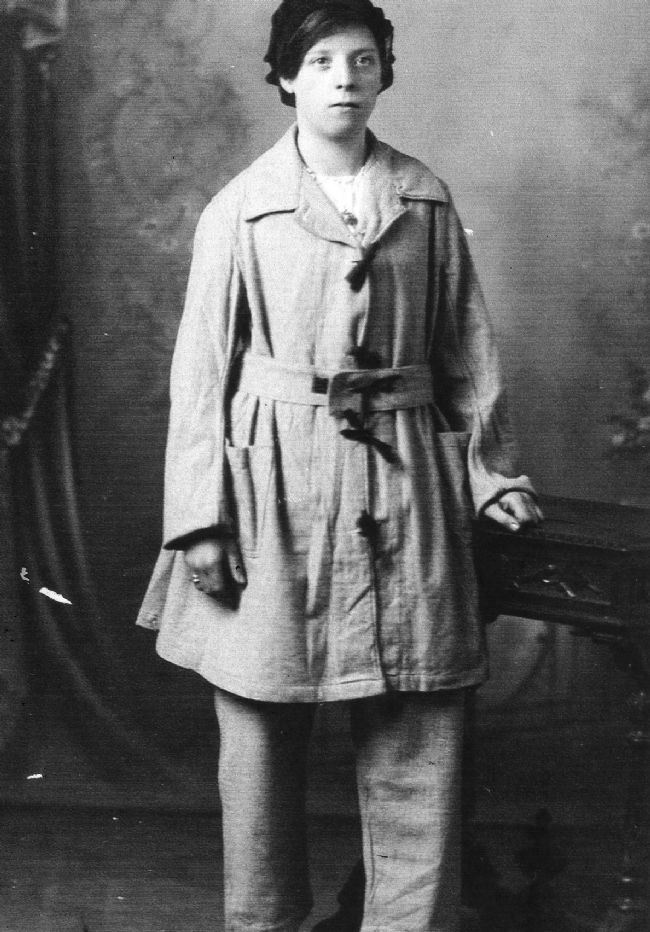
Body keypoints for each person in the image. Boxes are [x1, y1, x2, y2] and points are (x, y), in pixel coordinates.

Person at [137, 1, 542, 929]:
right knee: (260, 744)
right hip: (273, 494)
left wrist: (493, 476)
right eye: (320, 61)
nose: (345, 78)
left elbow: (466, 353)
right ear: (284, 77)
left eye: (364, 60)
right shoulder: (241, 209)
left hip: (407, 490)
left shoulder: (425, 200)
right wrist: (199, 518)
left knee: (420, 736)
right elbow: (199, 373)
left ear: (386, 74)